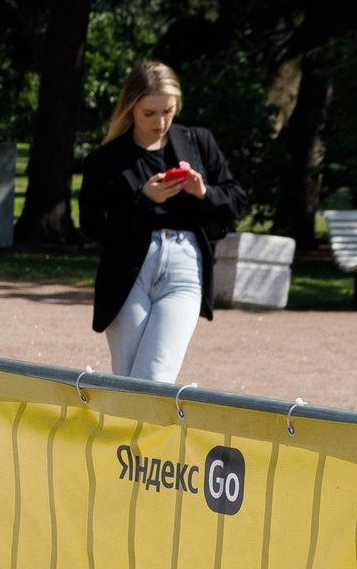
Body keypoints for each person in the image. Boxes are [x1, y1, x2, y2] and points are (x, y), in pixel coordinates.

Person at [79, 60, 245, 383]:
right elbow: (92, 226)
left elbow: (236, 201)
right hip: (128, 267)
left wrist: (203, 191)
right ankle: (128, 436)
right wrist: (143, 199)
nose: (160, 122)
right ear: (131, 108)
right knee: (128, 376)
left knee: (154, 376)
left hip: (185, 265)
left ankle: (127, 435)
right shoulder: (105, 160)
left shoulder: (199, 143)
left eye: (168, 111)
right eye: (149, 114)